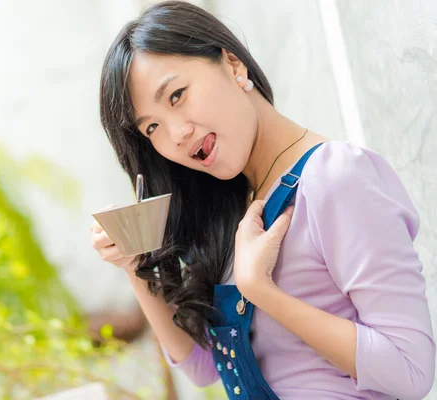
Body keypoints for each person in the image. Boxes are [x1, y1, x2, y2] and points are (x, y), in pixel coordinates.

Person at [90, 1, 435, 399]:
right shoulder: (231, 206)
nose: (176, 134)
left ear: (233, 65)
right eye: (152, 127)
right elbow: (206, 366)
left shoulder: (336, 176)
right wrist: (133, 263)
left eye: (177, 95)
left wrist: (262, 291)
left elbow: (411, 371)